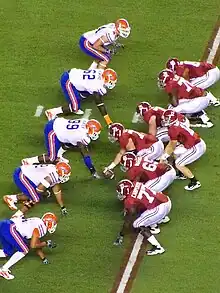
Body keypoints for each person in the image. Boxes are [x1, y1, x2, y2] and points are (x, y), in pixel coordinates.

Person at [22, 118, 101, 178]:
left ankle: (61, 151)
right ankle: (29, 161)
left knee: (70, 143)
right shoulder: (82, 137)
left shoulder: (85, 120)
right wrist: (92, 170)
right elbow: (85, 154)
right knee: (52, 158)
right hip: (53, 131)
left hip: (58, 123)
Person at [113, 179, 171, 255]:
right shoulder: (137, 184)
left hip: (159, 209)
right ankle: (160, 220)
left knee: (137, 224)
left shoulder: (129, 201)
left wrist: (121, 234)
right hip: (166, 200)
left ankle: (158, 247)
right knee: (143, 209)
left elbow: (129, 220)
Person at [45, 68, 117, 126]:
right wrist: (108, 121)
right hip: (68, 80)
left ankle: (77, 97)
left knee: (87, 92)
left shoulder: (101, 72)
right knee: (75, 107)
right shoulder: (97, 86)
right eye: (111, 81)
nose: (111, 83)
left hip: (74, 74)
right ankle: (52, 112)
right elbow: (99, 103)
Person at [0, 212, 57, 280]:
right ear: (49, 223)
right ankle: (3, 270)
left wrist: (43, 258)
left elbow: (36, 242)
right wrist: (46, 243)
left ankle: (3, 270)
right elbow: (33, 245)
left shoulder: (37, 220)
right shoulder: (42, 228)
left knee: (7, 252)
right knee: (24, 250)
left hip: (5, 224)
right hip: (11, 228)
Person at [160, 109, 206, 191]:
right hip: (193, 144)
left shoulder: (173, 129)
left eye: (166, 119)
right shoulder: (176, 124)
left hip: (196, 147)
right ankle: (181, 174)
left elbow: (172, 145)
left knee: (179, 164)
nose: (164, 120)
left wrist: (164, 157)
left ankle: (194, 182)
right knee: (175, 152)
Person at [3, 162, 70, 215]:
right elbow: (39, 190)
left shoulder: (54, 170)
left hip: (26, 175)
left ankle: (12, 198)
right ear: (60, 173)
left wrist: (62, 206)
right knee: (36, 198)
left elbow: (57, 190)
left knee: (34, 194)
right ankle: (18, 215)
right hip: (22, 176)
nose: (66, 177)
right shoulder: (52, 176)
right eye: (65, 175)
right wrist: (45, 193)